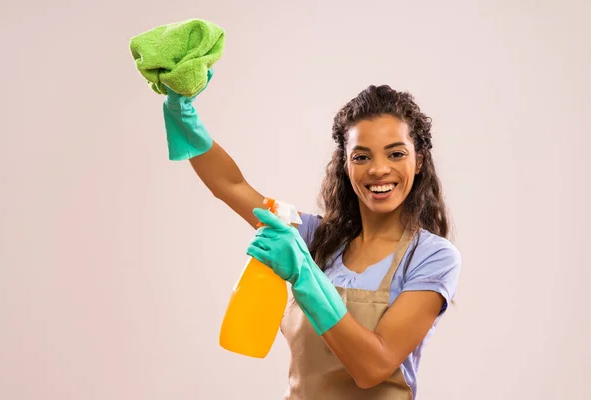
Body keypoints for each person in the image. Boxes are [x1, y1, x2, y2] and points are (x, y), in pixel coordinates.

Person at [162, 71, 461, 399]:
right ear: (346, 166)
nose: (378, 169)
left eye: (396, 153)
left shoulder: (432, 257)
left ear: (418, 160)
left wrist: (305, 275)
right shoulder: (316, 237)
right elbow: (231, 186)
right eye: (361, 156)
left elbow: (373, 366)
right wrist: (183, 113)